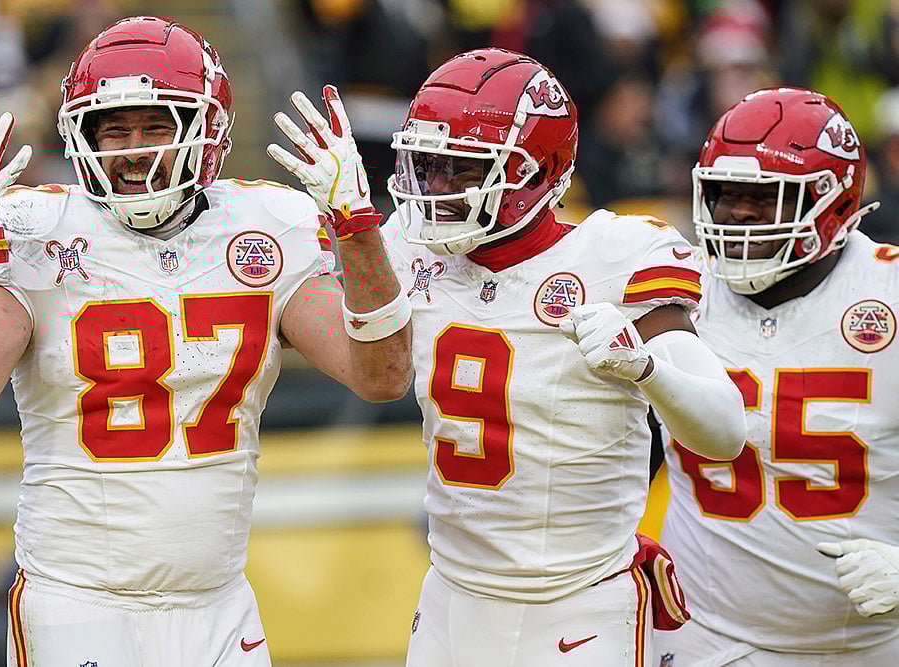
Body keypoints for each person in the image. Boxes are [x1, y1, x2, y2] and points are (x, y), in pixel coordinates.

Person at [0, 16, 411, 667]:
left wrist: (358, 226)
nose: (134, 147)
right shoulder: (38, 230)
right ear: (81, 135)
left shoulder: (266, 228)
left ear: (206, 132)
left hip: (219, 602)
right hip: (79, 602)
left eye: (156, 125)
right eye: (113, 128)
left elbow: (383, 376)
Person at [269, 48, 747, 666]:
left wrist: (649, 372)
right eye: (428, 165)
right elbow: (369, 365)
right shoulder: (402, 249)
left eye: (461, 170)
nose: (435, 188)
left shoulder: (616, 254)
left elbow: (726, 432)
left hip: (581, 603)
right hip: (451, 597)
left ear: (538, 172)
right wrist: (352, 225)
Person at [654, 87, 899, 666]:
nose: (737, 213)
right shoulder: (670, 288)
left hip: (866, 646)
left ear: (832, 204)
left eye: (765, 200)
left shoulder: (889, 294)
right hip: (700, 635)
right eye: (725, 195)